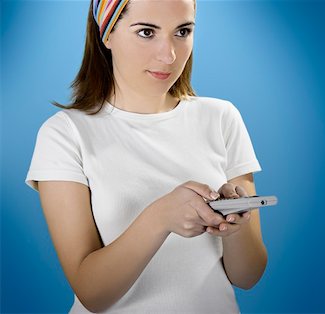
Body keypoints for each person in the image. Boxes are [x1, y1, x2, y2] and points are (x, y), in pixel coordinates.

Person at [25, 0, 267, 313]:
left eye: (182, 31)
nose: (169, 55)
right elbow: (91, 293)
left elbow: (248, 276)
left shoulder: (222, 117)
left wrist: (235, 228)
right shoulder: (65, 134)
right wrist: (159, 218)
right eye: (146, 32)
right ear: (107, 34)